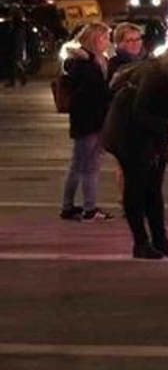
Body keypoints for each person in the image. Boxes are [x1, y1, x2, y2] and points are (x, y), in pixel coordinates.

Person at [101, 44, 168, 260]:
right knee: (136, 188)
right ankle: (141, 242)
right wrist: (166, 126)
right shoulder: (155, 75)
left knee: (153, 189)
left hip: (151, 136)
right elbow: (139, 112)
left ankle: (160, 240)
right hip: (128, 135)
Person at [58, 22, 113, 221]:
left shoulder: (93, 61)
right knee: (85, 165)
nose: (108, 42)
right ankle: (82, 208)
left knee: (84, 164)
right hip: (89, 120)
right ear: (93, 40)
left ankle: (75, 206)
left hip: (92, 119)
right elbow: (93, 94)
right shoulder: (85, 65)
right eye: (104, 38)